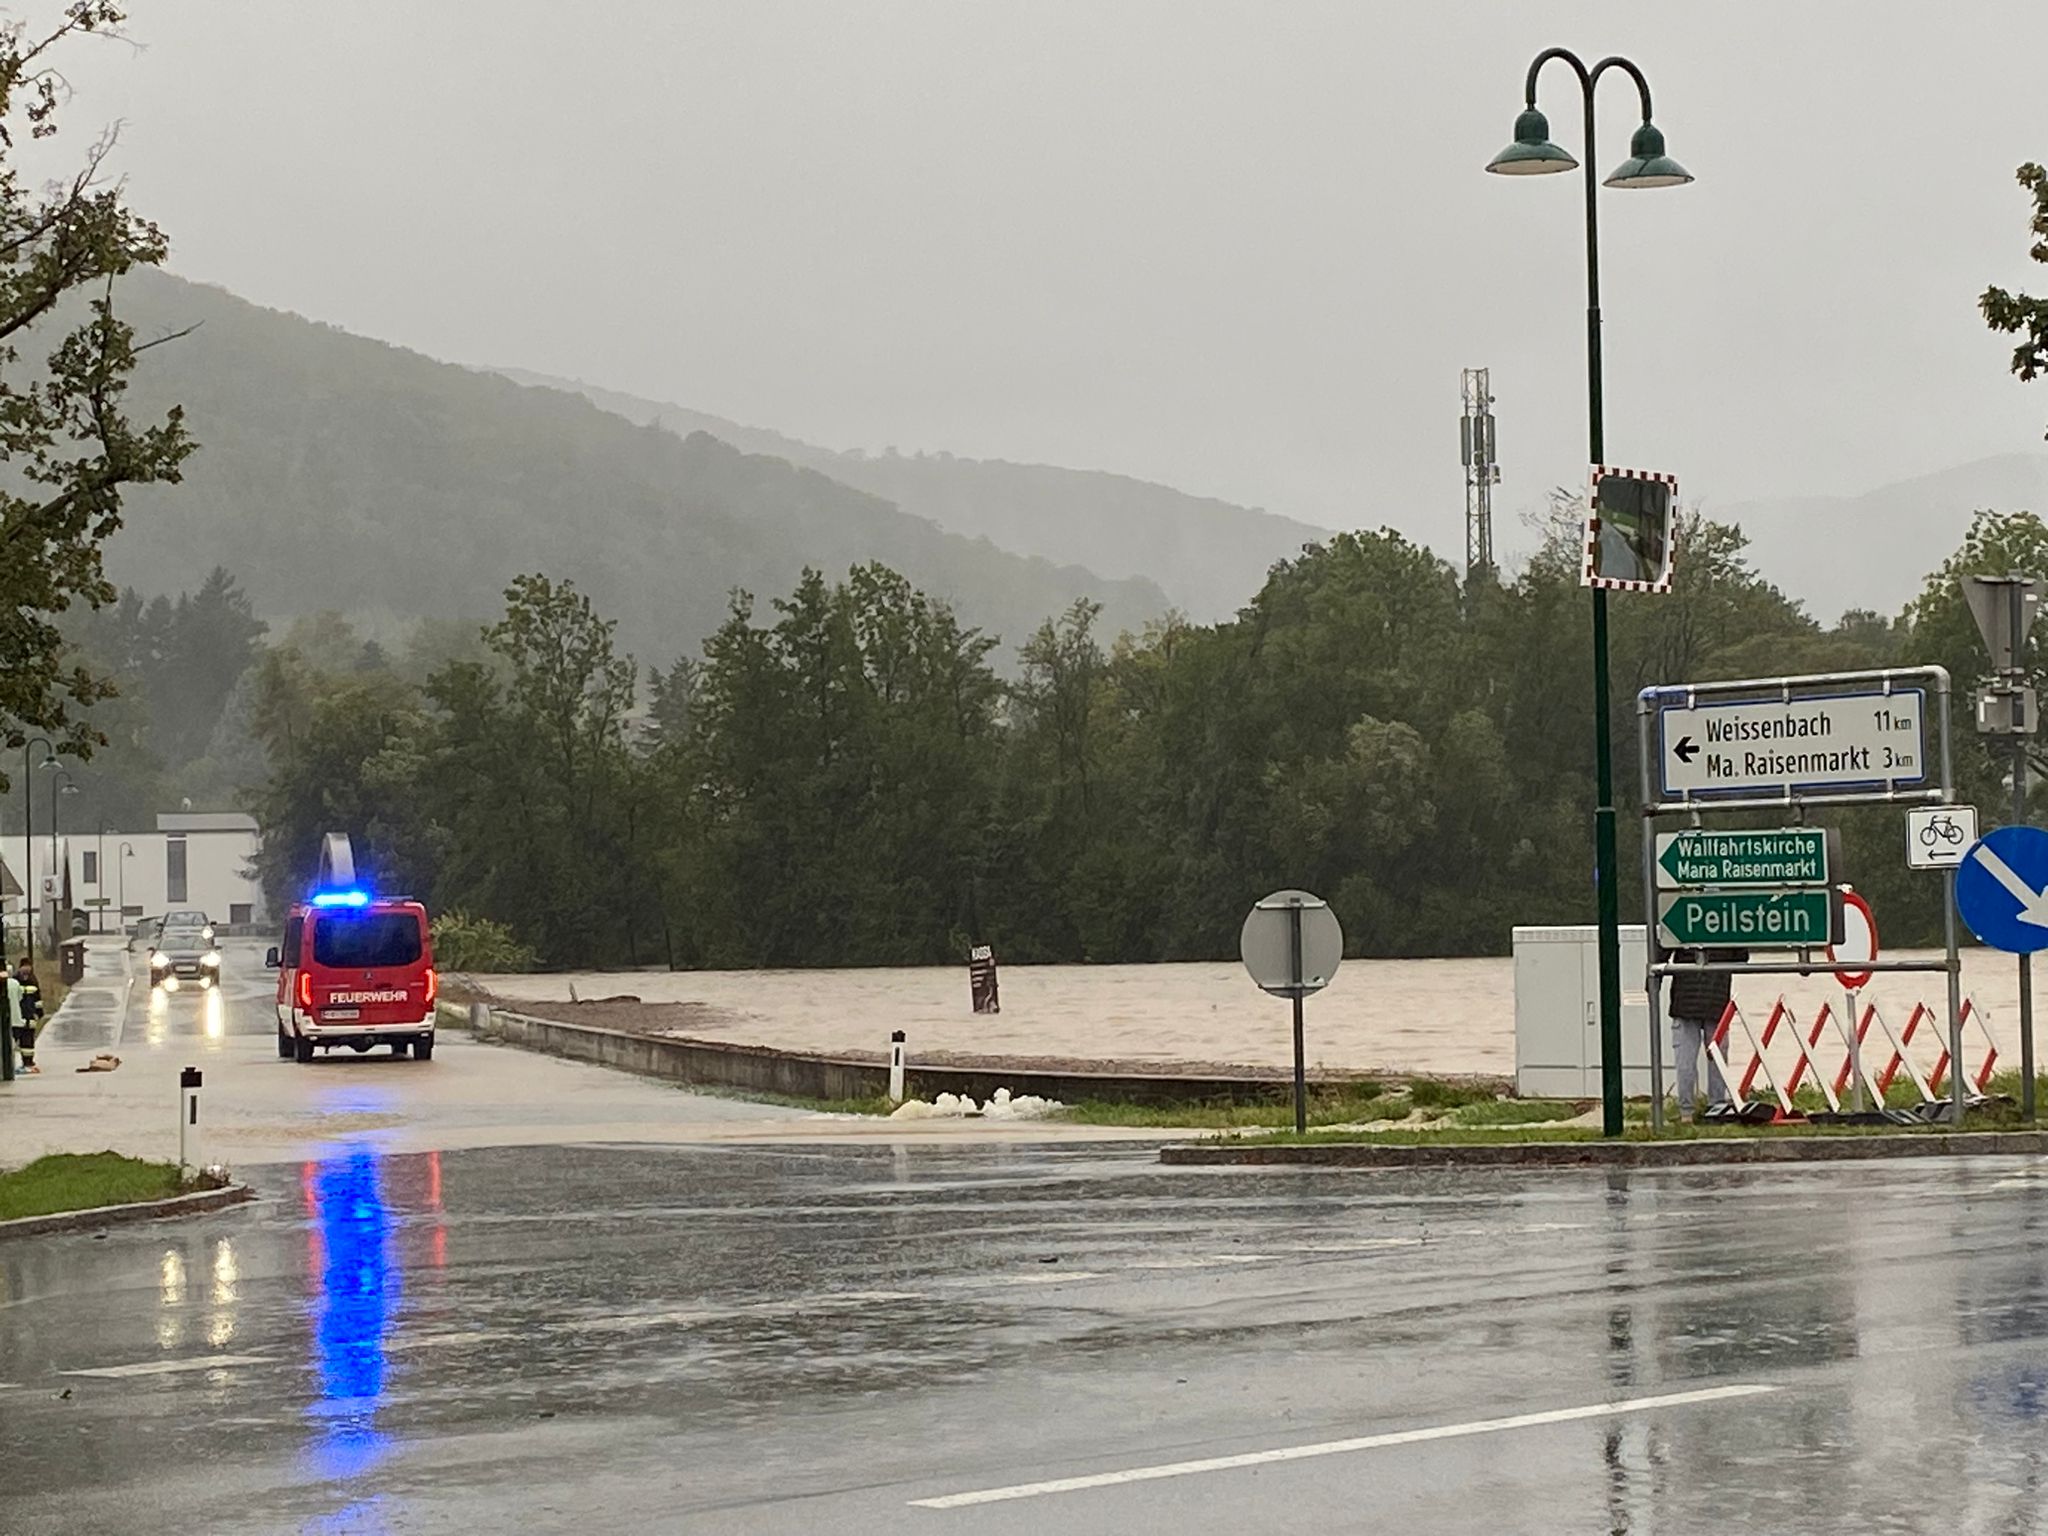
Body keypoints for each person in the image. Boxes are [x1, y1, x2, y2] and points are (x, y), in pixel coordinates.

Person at [1667, 947, 1745, 1122]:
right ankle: (1716, 1106)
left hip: (1684, 1001)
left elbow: (1660, 951)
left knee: (1685, 1061)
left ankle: (1686, 1112)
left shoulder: (1681, 926)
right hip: (1717, 1000)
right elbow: (1741, 956)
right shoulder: (1725, 928)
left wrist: (1651, 981)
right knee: (1718, 1059)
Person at [12, 956, 43, 1075]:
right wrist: (39, 1012)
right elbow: (37, 999)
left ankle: (26, 1062)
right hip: (26, 1013)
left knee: (24, 1040)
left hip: (19, 1014)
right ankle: (27, 1062)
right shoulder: (32, 979)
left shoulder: (15, 979)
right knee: (27, 1040)